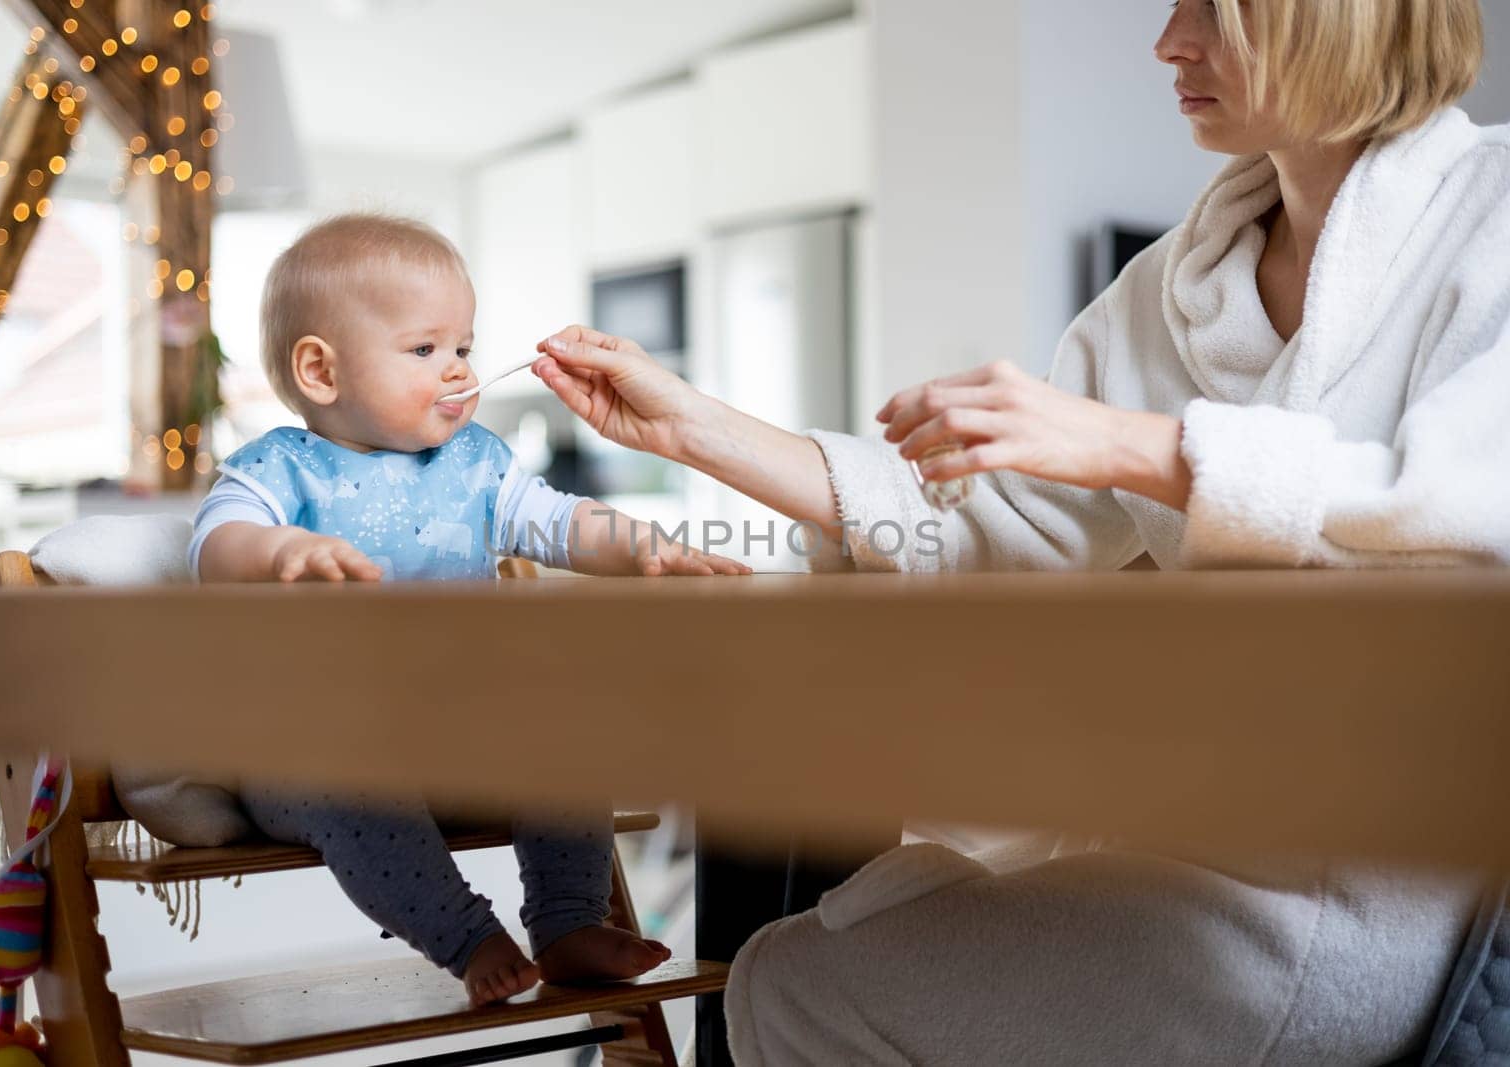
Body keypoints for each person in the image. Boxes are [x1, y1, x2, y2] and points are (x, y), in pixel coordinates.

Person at [529, 0, 1509, 1059]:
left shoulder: (1489, 212)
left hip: (1375, 892)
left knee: (802, 983)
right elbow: (971, 527)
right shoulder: (1173, 287)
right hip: (1172, 844)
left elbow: (1462, 523)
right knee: (793, 958)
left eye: (1213, 13)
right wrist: (693, 423)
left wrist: (1128, 446)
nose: (1169, 43)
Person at [190, 214, 746, 1007]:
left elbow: (559, 521)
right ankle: (466, 935)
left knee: (561, 737)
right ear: (320, 370)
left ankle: (566, 921)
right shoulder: (281, 469)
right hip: (313, 753)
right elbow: (217, 542)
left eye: (464, 348)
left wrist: (642, 547)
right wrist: (279, 552)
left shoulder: (474, 462)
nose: (457, 372)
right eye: (424, 350)